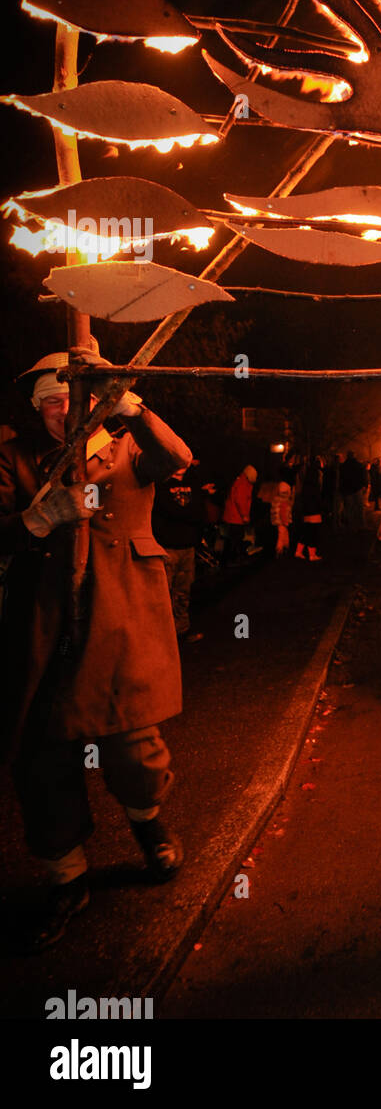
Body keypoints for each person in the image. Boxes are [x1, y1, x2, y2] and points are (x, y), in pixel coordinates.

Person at [0, 349, 191, 949]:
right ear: (39, 410)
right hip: (43, 622)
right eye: (51, 401)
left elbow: (178, 457)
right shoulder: (15, 458)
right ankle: (67, 877)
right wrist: (35, 522)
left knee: (134, 744)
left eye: (73, 396)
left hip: (121, 614)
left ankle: (149, 826)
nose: (64, 409)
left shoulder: (129, 443)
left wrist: (132, 405)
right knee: (41, 754)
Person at [152, 460, 206, 644]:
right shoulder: (161, 484)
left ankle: (181, 630)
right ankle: (162, 634)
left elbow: (198, 511)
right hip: (167, 546)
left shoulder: (193, 483)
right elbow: (167, 510)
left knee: (183, 591)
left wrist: (185, 514)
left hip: (187, 546)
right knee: (163, 592)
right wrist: (187, 513)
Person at [221, 463, 257, 567]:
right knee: (235, 539)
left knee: (232, 539)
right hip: (236, 517)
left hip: (233, 516)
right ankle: (231, 560)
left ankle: (228, 560)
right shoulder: (243, 484)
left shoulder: (240, 482)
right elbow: (240, 501)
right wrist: (245, 515)